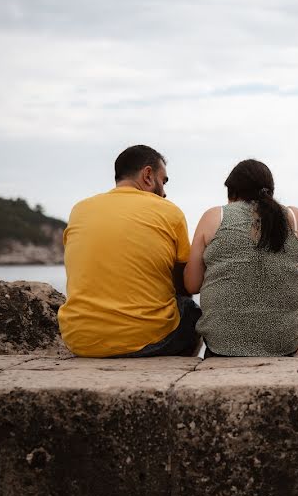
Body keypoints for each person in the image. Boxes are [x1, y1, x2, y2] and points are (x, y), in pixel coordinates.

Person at [59, 145, 200, 358]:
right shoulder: (169, 211)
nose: (164, 191)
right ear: (147, 175)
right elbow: (184, 286)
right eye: (163, 181)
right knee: (191, 310)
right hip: (144, 340)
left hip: (80, 340)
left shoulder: (80, 209)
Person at [185, 159, 298, 358]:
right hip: (285, 344)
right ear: (270, 191)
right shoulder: (295, 217)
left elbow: (192, 285)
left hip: (223, 345)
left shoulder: (214, 217)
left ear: (232, 192)